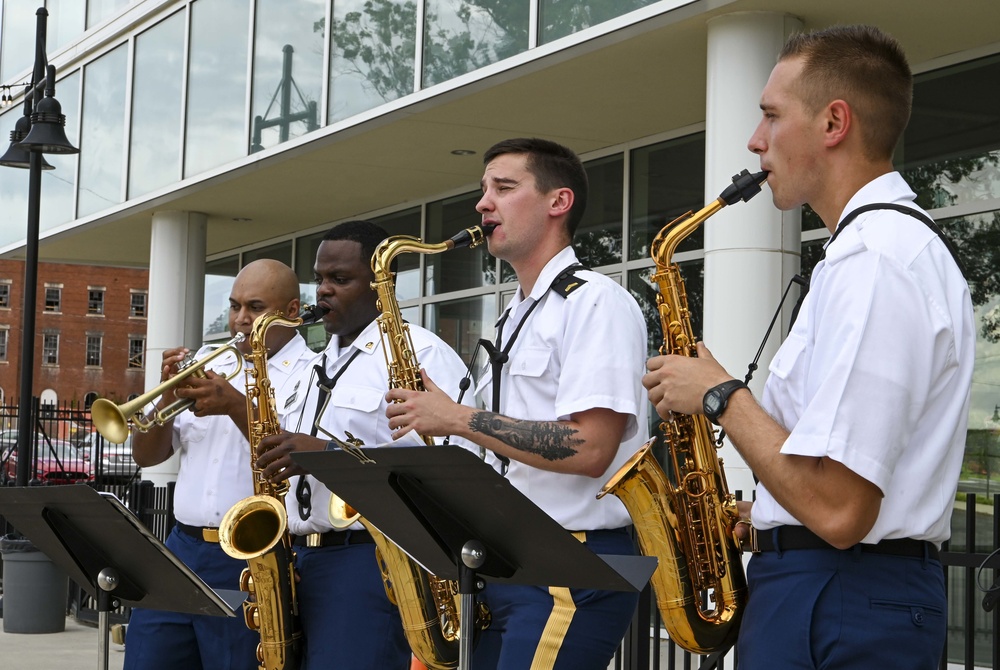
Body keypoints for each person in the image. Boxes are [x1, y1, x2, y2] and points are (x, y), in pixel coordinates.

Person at [642, 25, 974, 669]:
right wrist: (767, 513)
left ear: (834, 122)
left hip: (843, 596)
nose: (754, 140)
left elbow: (843, 509)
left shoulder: (876, 260)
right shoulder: (870, 253)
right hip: (840, 592)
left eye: (770, 115)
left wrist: (718, 394)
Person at [383, 137, 649, 669]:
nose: (483, 203)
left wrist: (458, 418)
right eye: (483, 190)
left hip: (574, 560)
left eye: (504, 188)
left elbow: (590, 447)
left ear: (558, 202)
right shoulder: (515, 315)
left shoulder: (596, 301)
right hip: (513, 561)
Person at [254, 220, 477, 670]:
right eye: (319, 278)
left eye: (340, 279)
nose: (324, 291)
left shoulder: (421, 355)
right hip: (298, 561)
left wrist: (328, 458)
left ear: (381, 284)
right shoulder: (309, 359)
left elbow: (455, 470)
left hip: (368, 563)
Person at [124, 259, 316, 670]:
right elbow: (146, 456)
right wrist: (164, 399)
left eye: (256, 308)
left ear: (293, 311)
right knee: (147, 659)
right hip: (179, 548)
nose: (240, 321)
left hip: (251, 557)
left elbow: (287, 457)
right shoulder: (213, 362)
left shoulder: (312, 375)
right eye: (234, 307)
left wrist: (233, 404)